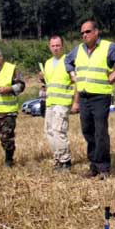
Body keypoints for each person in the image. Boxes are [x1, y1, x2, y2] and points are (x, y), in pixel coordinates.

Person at [65, 20, 115, 179]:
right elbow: (67, 61)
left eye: (88, 31)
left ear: (96, 32)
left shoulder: (108, 47)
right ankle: (94, 165)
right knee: (88, 131)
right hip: (83, 97)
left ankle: (103, 167)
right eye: (82, 33)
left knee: (100, 132)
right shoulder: (78, 50)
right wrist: (72, 74)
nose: (84, 35)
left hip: (100, 97)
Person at [41, 35, 75, 171]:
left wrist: (75, 102)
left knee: (59, 130)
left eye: (58, 45)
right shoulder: (48, 63)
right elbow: (49, 83)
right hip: (50, 102)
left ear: (62, 46)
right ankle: (58, 158)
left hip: (63, 102)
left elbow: (74, 81)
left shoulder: (68, 60)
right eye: (53, 45)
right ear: (49, 47)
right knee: (49, 131)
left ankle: (65, 161)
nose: (55, 48)